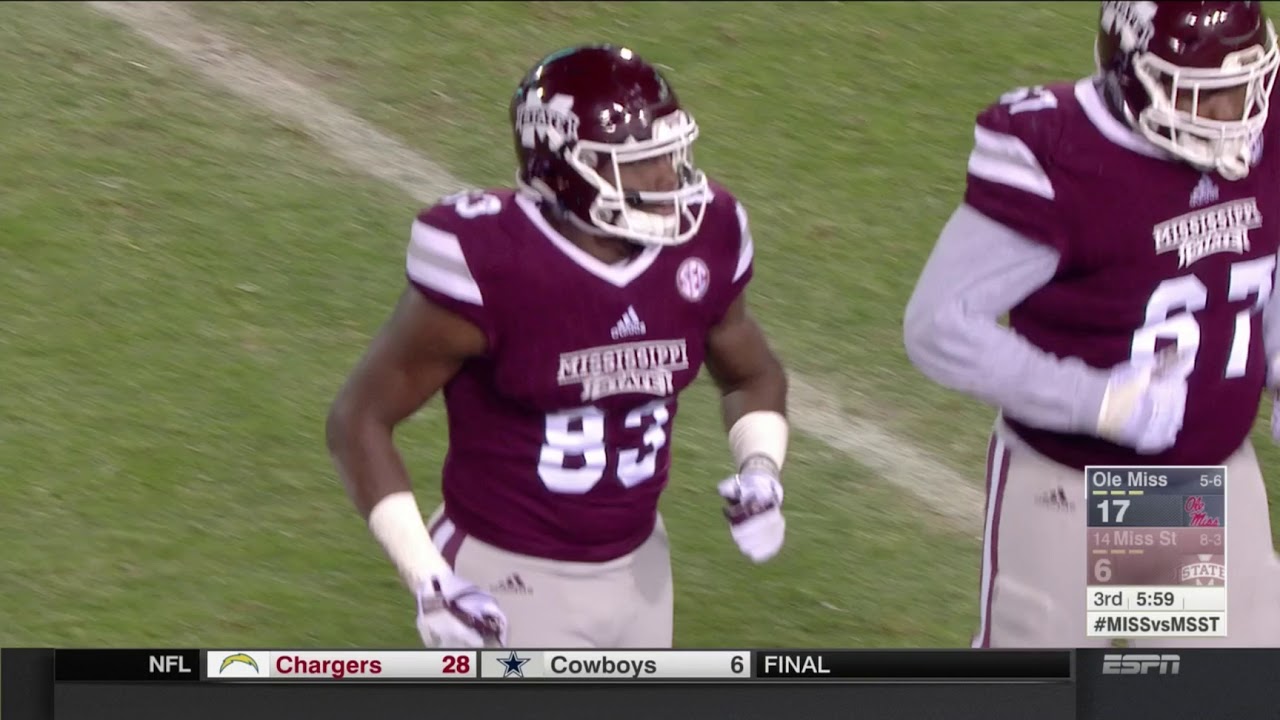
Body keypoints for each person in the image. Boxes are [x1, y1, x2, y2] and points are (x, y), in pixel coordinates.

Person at [326, 44, 790, 649]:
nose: (669, 177)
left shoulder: (706, 241)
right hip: (507, 576)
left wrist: (760, 471)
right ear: (564, 170)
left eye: (670, 154)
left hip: (641, 565)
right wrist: (428, 576)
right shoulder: (497, 266)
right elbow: (358, 419)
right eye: (639, 163)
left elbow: (752, 375)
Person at [904, 1, 1280, 648]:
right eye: (1207, 94)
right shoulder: (1061, 156)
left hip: (1198, 480)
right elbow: (939, 325)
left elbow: (1261, 261)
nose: (1236, 114)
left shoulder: (1265, 131)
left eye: (1247, 86)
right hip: (1069, 485)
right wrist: (1098, 403)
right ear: (1134, 77)